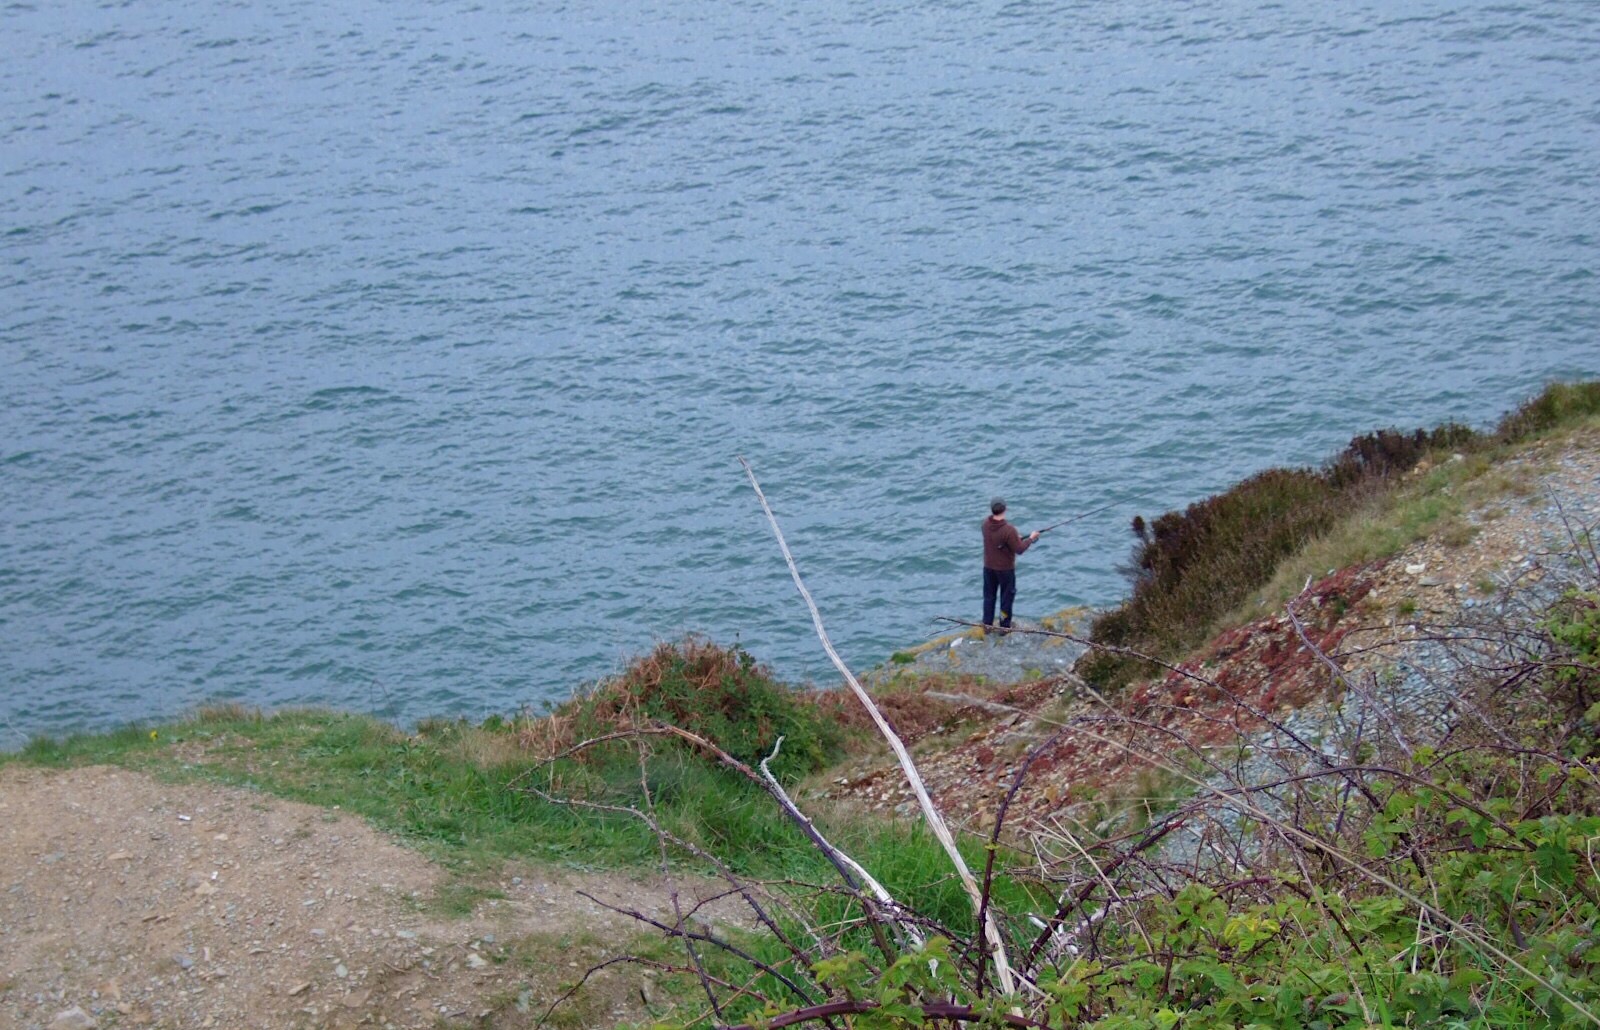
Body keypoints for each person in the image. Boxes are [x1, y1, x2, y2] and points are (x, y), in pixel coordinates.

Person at [982, 498, 1039, 637]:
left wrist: (1014, 538)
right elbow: (1019, 549)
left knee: (989, 597)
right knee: (1006, 598)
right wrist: (1031, 538)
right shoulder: (1009, 530)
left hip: (988, 567)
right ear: (1005, 509)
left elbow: (998, 539)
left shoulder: (985, 525)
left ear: (992, 510)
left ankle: (987, 625)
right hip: (1005, 570)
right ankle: (1004, 626)